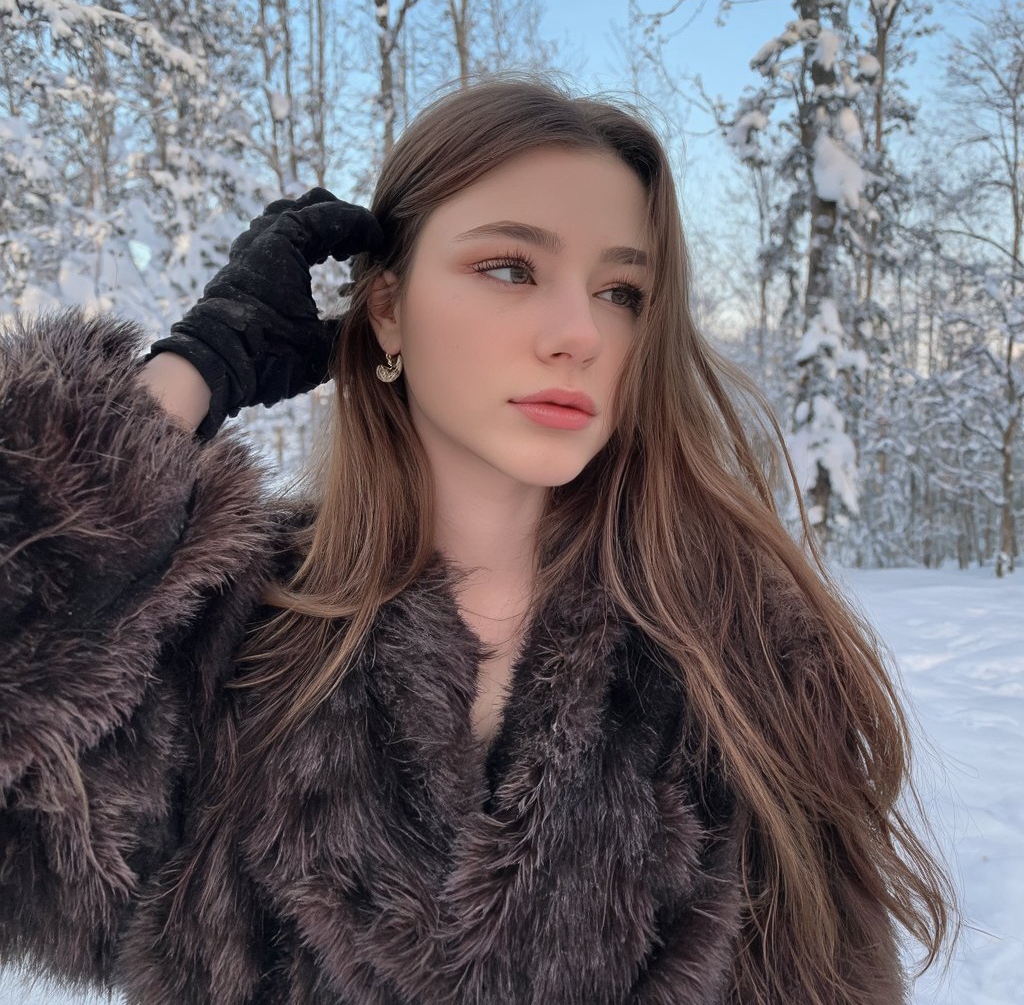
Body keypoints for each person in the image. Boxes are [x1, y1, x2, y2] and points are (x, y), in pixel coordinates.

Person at [0, 79, 956, 1005]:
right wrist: (182, 380)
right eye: (510, 267)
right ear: (385, 307)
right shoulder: (218, 635)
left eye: (623, 290)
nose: (580, 332)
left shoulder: (739, 659)